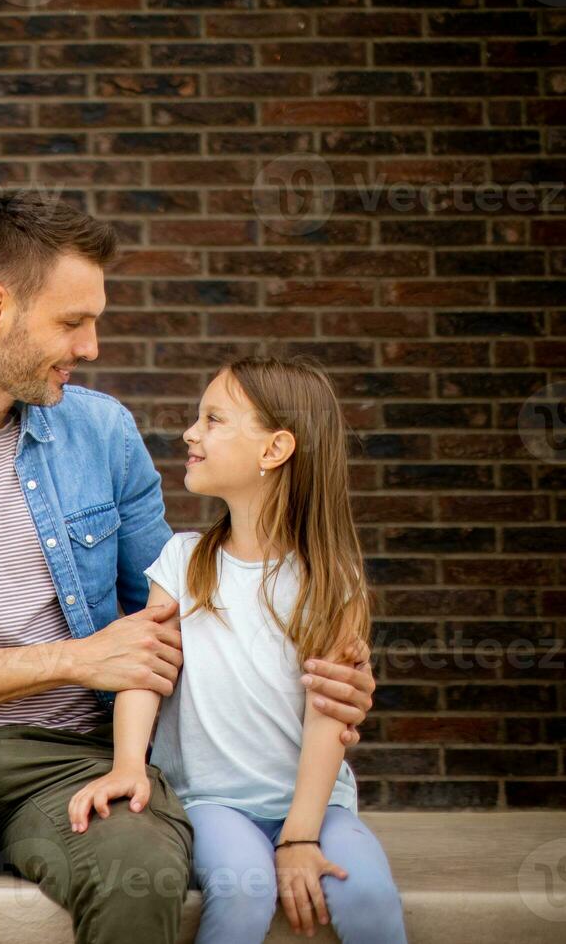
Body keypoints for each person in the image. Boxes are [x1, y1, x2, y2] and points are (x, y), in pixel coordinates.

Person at [0, 192, 380, 944]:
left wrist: (323, 672)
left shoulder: (103, 433)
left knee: (145, 879)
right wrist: (77, 657)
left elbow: (179, 616)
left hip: (79, 757)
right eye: (73, 322)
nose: (92, 346)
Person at [67, 356, 406, 943]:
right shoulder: (181, 562)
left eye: (214, 420)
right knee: (246, 890)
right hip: (211, 801)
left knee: (370, 894)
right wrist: (127, 765)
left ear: (274, 450)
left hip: (318, 806)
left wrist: (300, 835)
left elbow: (330, 713)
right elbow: (144, 672)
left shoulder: (334, 579)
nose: (190, 433)